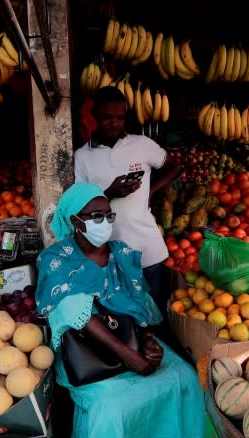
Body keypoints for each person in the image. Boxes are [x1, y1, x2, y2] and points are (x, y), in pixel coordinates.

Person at [35, 183, 204, 438]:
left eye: (107, 215)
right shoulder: (55, 259)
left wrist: (147, 342)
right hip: (87, 356)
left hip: (132, 343)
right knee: (109, 409)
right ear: (73, 220)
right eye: (95, 216)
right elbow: (63, 309)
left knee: (183, 378)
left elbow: (139, 305)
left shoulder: (122, 253)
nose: (104, 222)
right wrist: (130, 356)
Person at [73, 85, 181, 315]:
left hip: (148, 251)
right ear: (94, 116)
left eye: (120, 118)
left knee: (157, 319)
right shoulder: (82, 156)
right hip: (109, 256)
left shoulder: (142, 144)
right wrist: (109, 193)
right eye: (107, 118)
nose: (114, 123)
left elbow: (174, 167)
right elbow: (79, 207)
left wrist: (151, 191)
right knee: (125, 322)